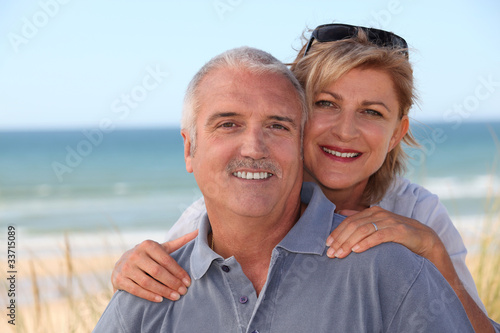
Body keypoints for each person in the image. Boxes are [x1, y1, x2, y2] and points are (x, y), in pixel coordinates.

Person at [111, 25, 499, 331]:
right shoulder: (225, 208)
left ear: (397, 132)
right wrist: (129, 274)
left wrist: (433, 254)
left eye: (372, 112)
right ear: (296, 115)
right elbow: (168, 284)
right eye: (326, 104)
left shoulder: (416, 212)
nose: (345, 131)